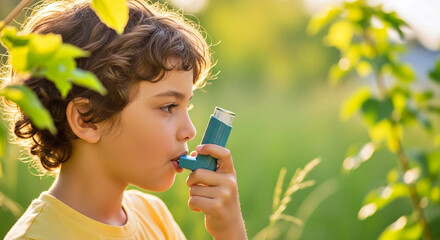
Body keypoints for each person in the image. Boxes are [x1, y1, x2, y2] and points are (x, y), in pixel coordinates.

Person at [4, 0, 247, 239]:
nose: (190, 131)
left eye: (187, 105)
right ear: (86, 120)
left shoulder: (154, 217)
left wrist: (229, 231)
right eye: (168, 107)